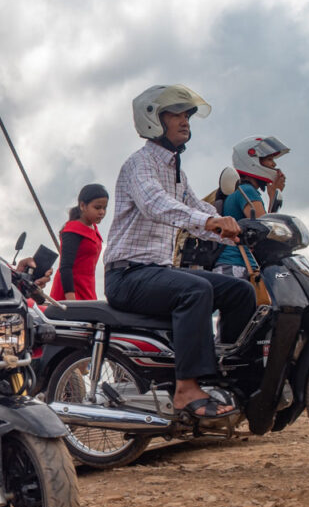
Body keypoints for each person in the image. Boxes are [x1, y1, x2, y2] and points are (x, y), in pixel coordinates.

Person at [103, 84, 256, 419]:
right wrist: (212, 221)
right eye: (176, 114)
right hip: (127, 275)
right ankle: (186, 389)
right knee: (196, 288)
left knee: (240, 292)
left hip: (157, 273)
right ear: (153, 120)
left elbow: (197, 210)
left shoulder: (176, 170)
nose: (185, 121)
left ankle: (228, 378)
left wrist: (240, 233)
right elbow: (158, 205)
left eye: (187, 114)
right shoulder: (139, 165)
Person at [213, 136, 290, 278]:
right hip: (237, 265)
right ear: (253, 162)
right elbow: (266, 229)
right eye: (269, 159)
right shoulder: (247, 191)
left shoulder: (240, 190)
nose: (273, 165)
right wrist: (273, 195)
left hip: (236, 264)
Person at [49, 184, 109, 301]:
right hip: (70, 291)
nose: (102, 212)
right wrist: (71, 301)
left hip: (87, 287)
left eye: (104, 208)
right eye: (97, 208)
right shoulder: (73, 230)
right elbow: (65, 267)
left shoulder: (94, 228)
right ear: (83, 206)